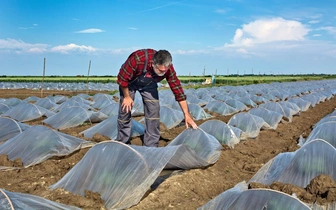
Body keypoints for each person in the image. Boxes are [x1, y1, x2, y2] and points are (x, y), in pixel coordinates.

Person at [116, 48, 198, 147]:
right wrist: (127, 96)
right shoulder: (138, 60)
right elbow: (122, 79)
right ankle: (122, 143)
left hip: (149, 85)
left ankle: (151, 146)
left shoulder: (168, 68)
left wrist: (187, 115)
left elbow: (177, 89)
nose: (163, 73)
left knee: (153, 111)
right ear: (153, 64)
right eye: (160, 70)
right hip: (129, 83)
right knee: (125, 110)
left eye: (165, 70)